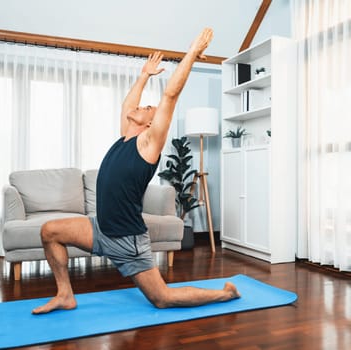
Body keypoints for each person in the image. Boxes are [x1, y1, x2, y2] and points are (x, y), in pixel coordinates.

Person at [32, 28, 240, 315]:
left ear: (150, 124)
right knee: (49, 231)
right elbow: (128, 105)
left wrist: (191, 53)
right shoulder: (125, 138)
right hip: (100, 228)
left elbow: (170, 95)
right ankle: (65, 295)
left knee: (162, 298)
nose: (142, 105)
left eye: (148, 108)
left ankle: (223, 294)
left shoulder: (148, 145)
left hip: (126, 240)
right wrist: (143, 75)